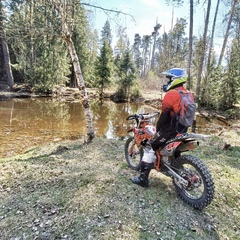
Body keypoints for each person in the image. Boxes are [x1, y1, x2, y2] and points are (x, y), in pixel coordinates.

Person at [131, 68, 195, 187]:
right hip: (183, 130)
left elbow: (164, 116)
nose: (167, 81)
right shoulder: (189, 94)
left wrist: (158, 129)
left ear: (175, 79)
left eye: (169, 78)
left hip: (170, 130)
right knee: (172, 149)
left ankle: (143, 179)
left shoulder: (172, 94)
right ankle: (173, 165)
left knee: (150, 146)